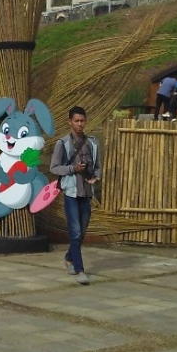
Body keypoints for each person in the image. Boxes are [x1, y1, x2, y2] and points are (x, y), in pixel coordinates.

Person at [50, 105, 100, 285]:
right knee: (76, 230)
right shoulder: (62, 144)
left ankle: (69, 257)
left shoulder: (92, 143)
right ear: (69, 122)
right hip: (71, 192)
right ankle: (80, 269)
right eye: (76, 121)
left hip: (86, 192)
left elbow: (98, 166)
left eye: (82, 121)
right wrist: (73, 168)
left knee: (82, 230)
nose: (80, 124)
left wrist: (96, 177)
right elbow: (54, 167)